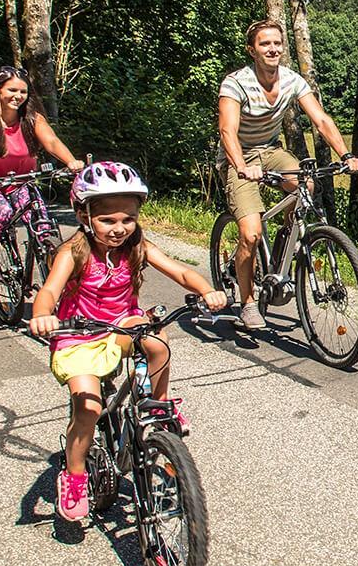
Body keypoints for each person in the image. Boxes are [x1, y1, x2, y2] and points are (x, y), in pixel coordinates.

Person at [29, 162, 227, 524]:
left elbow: (180, 271)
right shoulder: (73, 252)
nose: (119, 228)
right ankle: (74, 476)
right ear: (84, 216)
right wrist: (43, 314)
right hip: (78, 335)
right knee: (88, 408)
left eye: (128, 219)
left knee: (155, 337)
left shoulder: (137, 246)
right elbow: (49, 291)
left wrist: (207, 290)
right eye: (107, 220)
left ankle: (159, 406)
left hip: (121, 324)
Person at [217, 19, 358, 329]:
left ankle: (284, 250)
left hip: (271, 151)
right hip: (239, 157)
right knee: (251, 233)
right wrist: (241, 166)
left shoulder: (292, 80)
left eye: (277, 43)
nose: (273, 49)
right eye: (265, 44)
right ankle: (248, 303)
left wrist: (346, 155)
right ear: (252, 50)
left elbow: (321, 120)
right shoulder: (236, 83)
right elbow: (227, 130)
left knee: (305, 184)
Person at [0, 66, 84, 283]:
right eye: (12, 90)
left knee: (43, 224)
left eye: (23, 92)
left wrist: (71, 161)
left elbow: (51, 141)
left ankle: (54, 273)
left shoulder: (31, 118)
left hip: (20, 181)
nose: (18, 96)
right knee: (0, 213)